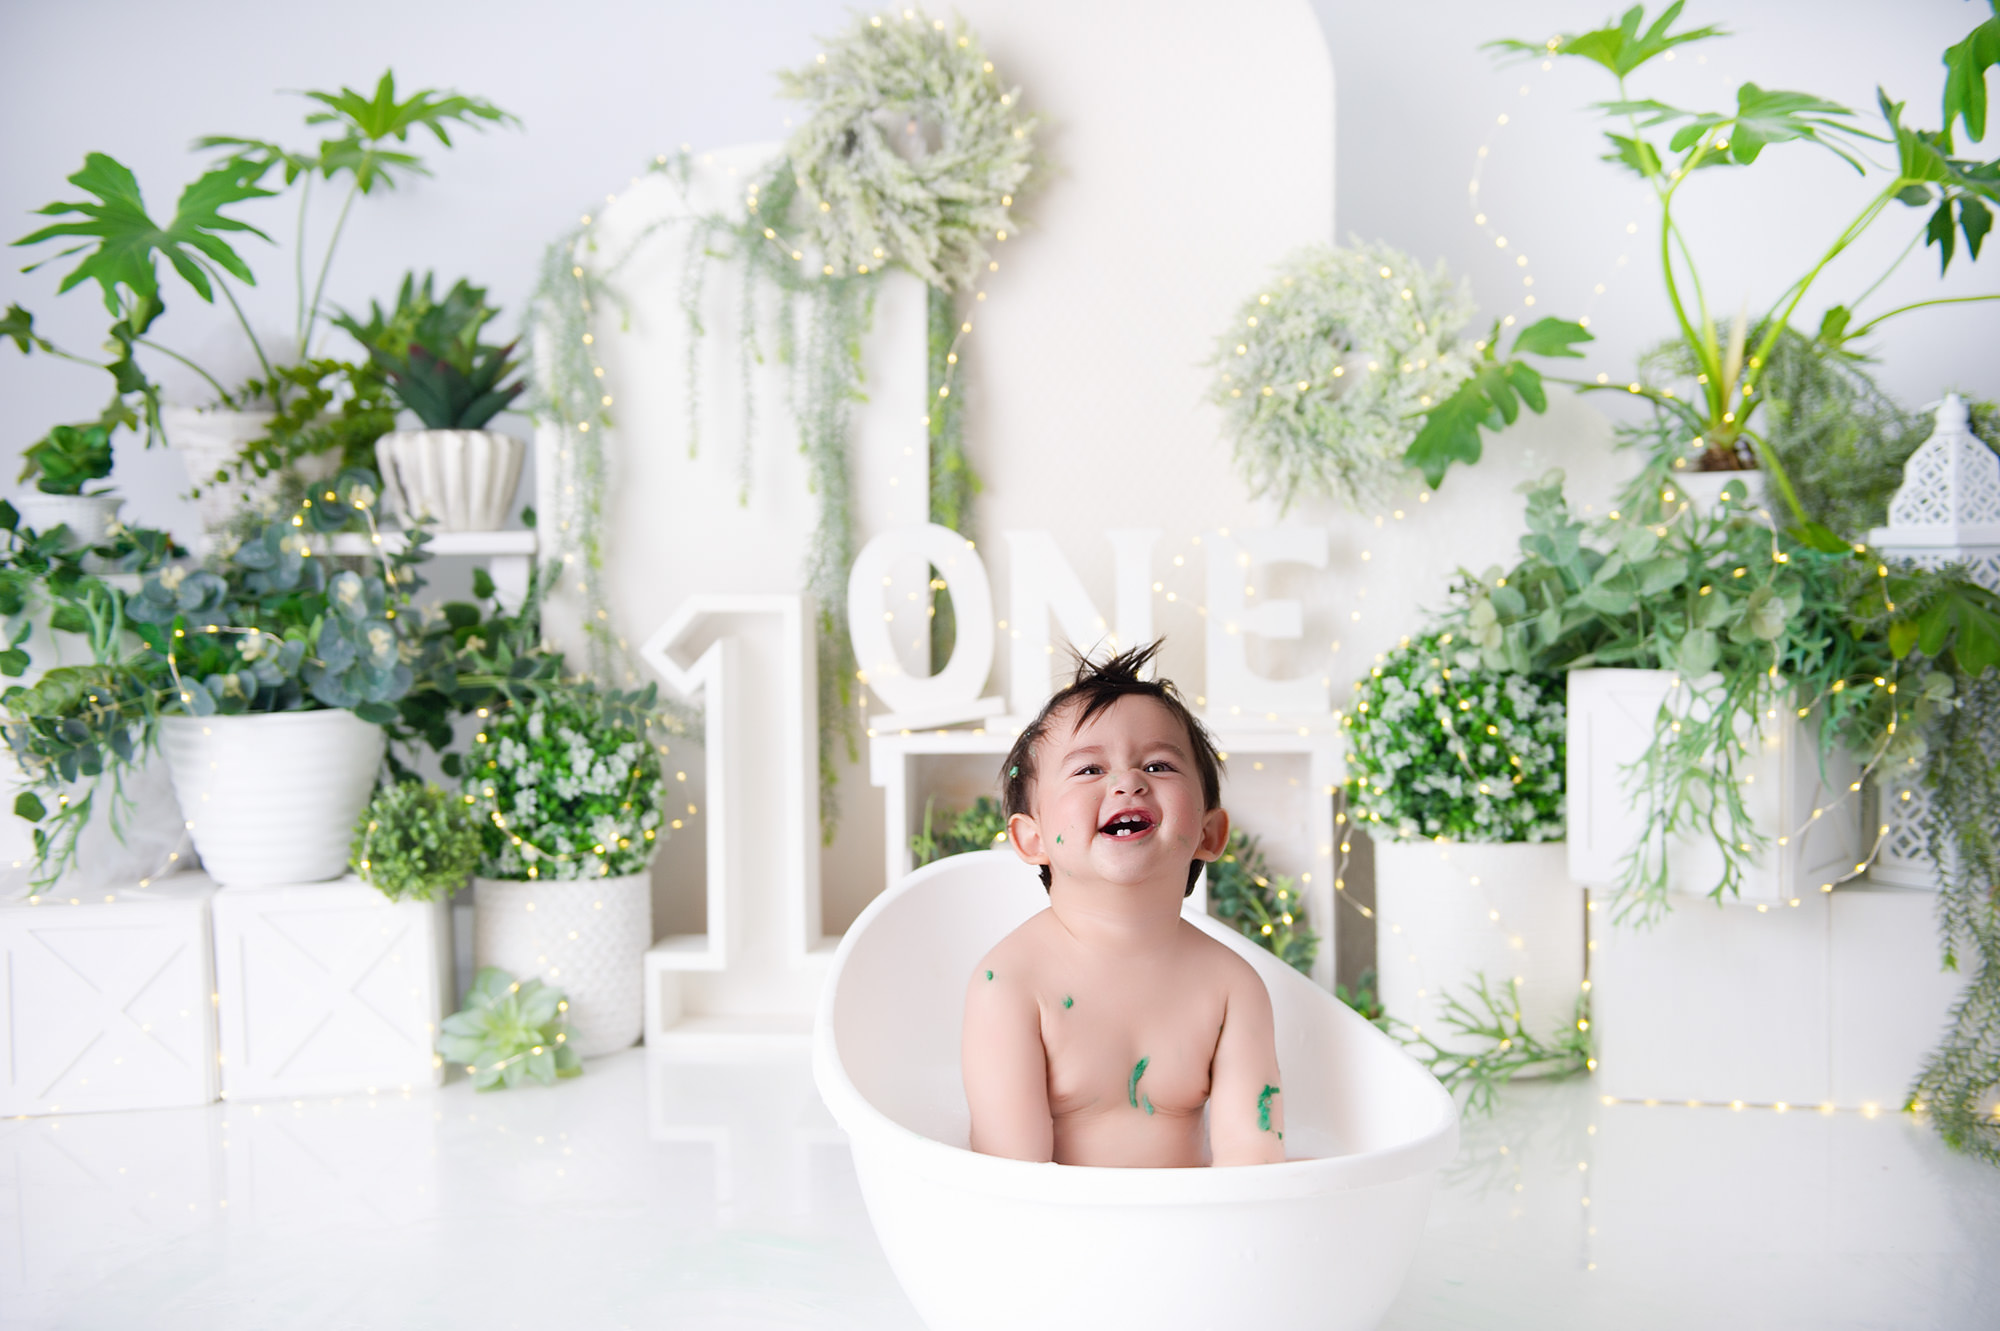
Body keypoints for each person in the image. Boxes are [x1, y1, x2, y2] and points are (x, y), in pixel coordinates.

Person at [962, 642, 1286, 1167]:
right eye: (1089, 770)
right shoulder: (1011, 984)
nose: (1128, 781)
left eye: (1158, 765)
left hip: (1192, 1216)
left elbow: (1253, 1163)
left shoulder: (1231, 988)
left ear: (1209, 832)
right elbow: (1010, 1178)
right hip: (1055, 1217)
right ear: (1032, 839)